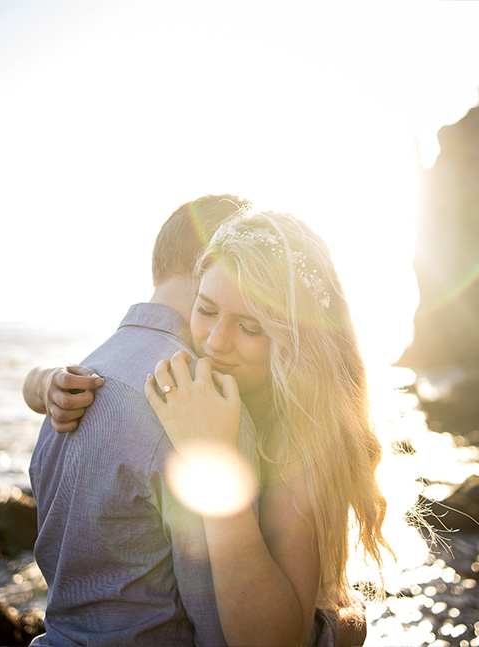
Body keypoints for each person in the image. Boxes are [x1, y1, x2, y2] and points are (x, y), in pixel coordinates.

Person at [33, 211, 389, 645]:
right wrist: (41, 382)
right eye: (206, 310)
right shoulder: (199, 389)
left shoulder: (303, 440)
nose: (216, 341)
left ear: (297, 340)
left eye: (250, 326)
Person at [27, 194, 257, 646]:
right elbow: (224, 632)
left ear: (159, 262)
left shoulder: (71, 382)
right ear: (220, 266)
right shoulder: (204, 403)